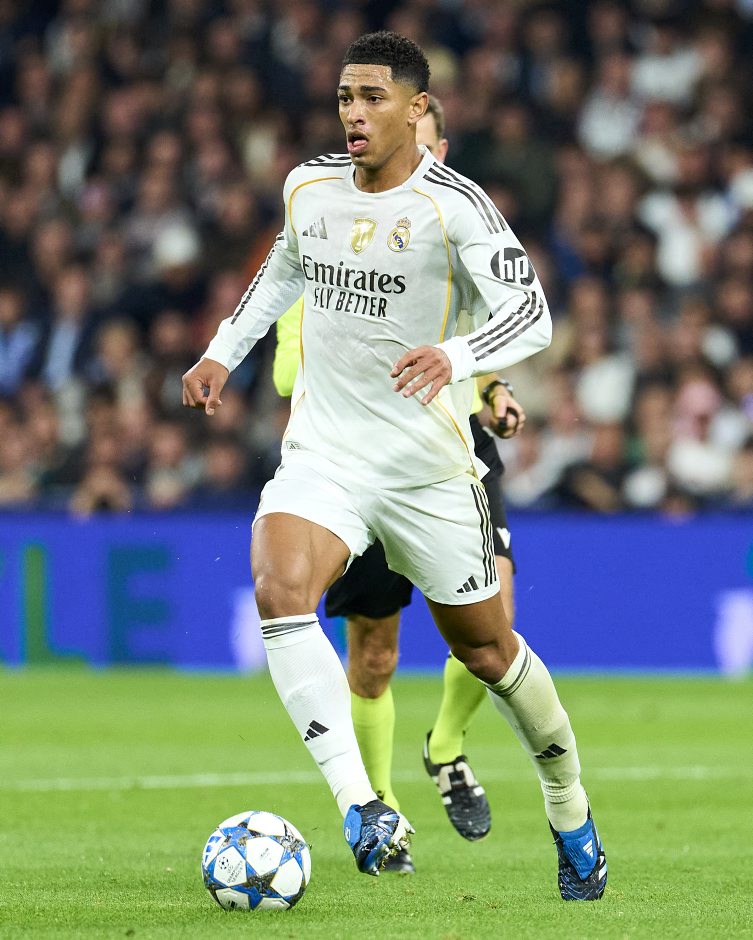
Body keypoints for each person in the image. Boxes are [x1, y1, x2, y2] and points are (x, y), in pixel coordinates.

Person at [183, 31, 607, 900]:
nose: (353, 113)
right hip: (326, 454)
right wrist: (223, 350)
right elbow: (282, 271)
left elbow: (531, 315)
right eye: (345, 96)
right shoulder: (310, 187)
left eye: (372, 97)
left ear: (417, 110)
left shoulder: (457, 206)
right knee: (278, 587)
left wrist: (457, 357)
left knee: (487, 652)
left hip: (425, 471)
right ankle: (363, 806)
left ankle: (568, 807)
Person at [271, 95, 526, 876]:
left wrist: (493, 391)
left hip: (452, 453)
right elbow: (285, 369)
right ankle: (380, 814)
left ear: (438, 150)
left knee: (494, 623)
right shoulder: (329, 246)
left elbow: (482, 334)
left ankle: (445, 746)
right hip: (357, 459)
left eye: (425, 144)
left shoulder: (457, 235)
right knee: (374, 655)